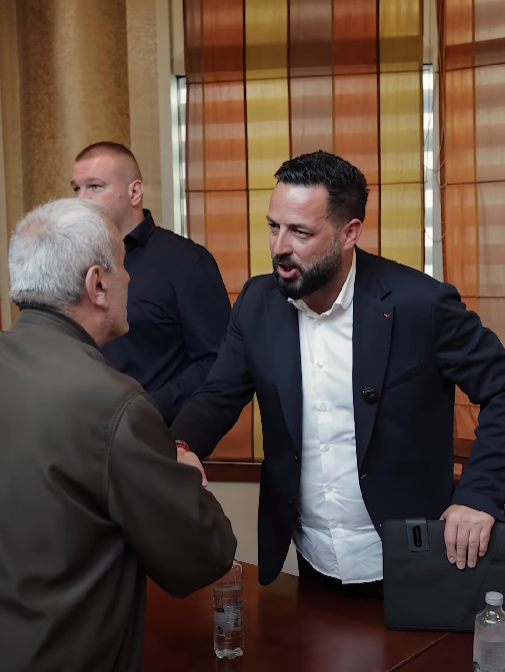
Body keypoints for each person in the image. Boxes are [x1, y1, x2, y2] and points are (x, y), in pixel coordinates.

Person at [171, 150, 505, 591]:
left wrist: (480, 495)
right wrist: (182, 445)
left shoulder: (422, 304)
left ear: (350, 233)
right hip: (314, 557)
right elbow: (218, 394)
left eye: (300, 232)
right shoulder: (256, 304)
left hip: (416, 556)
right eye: (274, 227)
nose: (279, 247)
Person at [0, 198, 236, 671]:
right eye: (124, 267)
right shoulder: (114, 404)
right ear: (98, 284)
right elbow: (204, 555)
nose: (129, 278)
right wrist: (186, 475)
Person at [71, 142, 231, 426]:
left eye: (95, 186)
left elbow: (217, 361)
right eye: (76, 188)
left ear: (134, 192)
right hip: (80, 433)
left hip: (153, 435)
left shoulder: (186, 262)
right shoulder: (72, 262)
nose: (81, 200)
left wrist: (144, 410)